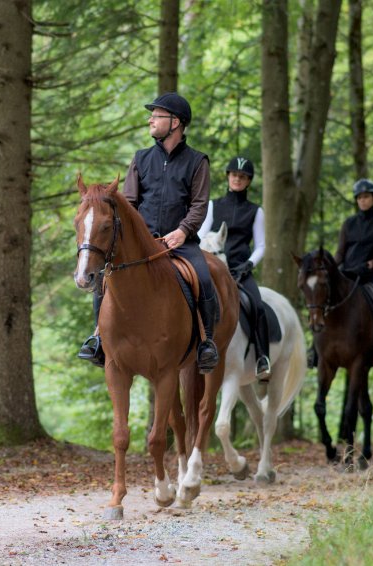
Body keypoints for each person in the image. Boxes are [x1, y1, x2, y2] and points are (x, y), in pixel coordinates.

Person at [78, 92, 220, 371]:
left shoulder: (197, 161)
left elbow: (199, 204)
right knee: (105, 279)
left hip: (180, 242)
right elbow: (129, 204)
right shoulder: (141, 159)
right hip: (144, 244)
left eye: (156, 116)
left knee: (203, 278)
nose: (150, 120)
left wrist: (183, 231)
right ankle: (97, 338)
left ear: (175, 122)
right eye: (151, 115)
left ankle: (206, 343)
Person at [320, 179, 373, 368]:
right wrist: (332, 266)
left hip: (370, 276)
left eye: (366, 197)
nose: (363, 201)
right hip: (346, 274)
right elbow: (341, 252)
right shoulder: (348, 224)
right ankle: (315, 349)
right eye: (359, 198)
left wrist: (369, 264)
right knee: (323, 301)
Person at [198, 156, 270, 378]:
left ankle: (262, 357)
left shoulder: (255, 211)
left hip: (240, 270)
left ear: (248, 181)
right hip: (212, 266)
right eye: (234, 175)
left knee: (257, 306)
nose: (237, 179)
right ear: (228, 177)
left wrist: (248, 264)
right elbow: (200, 234)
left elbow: (260, 245)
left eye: (242, 177)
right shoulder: (213, 205)